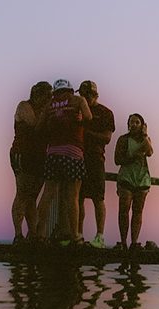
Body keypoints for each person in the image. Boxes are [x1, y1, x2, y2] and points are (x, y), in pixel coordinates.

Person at [34, 79, 92, 245]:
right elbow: (88, 118)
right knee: (72, 196)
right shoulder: (78, 100)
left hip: (53, 153)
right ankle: (75, 236)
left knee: (48, 194)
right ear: (70, 89)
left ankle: (39, 234)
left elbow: (38, 128)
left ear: (55, 91)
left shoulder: (50, 105)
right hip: (73, 152)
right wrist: (78, 121)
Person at [10, 81, 52, 244]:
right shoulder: (24, 106)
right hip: (23, 154)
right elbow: (35, 125)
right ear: (37, 95)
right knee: (22, 193)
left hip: (40, 156)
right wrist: (48, 112)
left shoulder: (46, 111)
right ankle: (18, 234)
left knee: (33, 196)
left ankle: (33, 234)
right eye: (47, 96)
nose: (49, 99)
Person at [76, 80, 115, 248]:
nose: (84, 97)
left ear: (94, 95)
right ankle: (78, 235)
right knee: (78, 198)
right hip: (77, 158)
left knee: (98, 198)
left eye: (87, 95)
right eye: (81, 94)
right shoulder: (77, 110)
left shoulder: (106, 113)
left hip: (96, 159)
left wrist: (86, 133)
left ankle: (100, 236)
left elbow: (106, 138)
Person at [114, 113, 153, 250]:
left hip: (142, 179)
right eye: (132, 122)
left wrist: (145, 134)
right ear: (128, 124)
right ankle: (123, 242)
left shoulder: (146, 139)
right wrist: (133, 156)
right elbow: (117, 160)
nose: (134, 124)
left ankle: (134, 243)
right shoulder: (123, 139)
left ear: (142, 125)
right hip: (126, 178)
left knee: (138, 211)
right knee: (124, 210)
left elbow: (149, 152)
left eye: (137, 122)